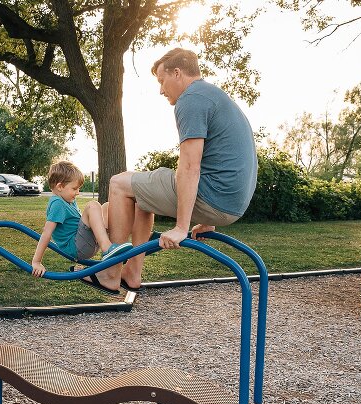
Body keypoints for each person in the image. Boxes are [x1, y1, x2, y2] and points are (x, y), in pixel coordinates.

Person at [90, 47, 258, 293]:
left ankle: (109, 273)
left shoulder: (191, 99)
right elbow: (223, 160)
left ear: (177, 73)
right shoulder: (213, 95)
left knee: (118, 183)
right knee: (141, 194)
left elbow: (190, 166)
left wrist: (182, 227)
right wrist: (207, 222)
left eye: (161, 80)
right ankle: (132, 273)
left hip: (213, 197)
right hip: (232, 205)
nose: (160, 89)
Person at [31, 161, 132, 288]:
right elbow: (46, 233)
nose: (78, 192)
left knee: (107, 207)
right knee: (93, 205)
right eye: (74, 188)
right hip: (77, 247)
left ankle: (122, 239)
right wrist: (36, 261)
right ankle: (107, 249)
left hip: (85, 243)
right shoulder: (57, 203)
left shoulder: (67, 200)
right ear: (60, 186)